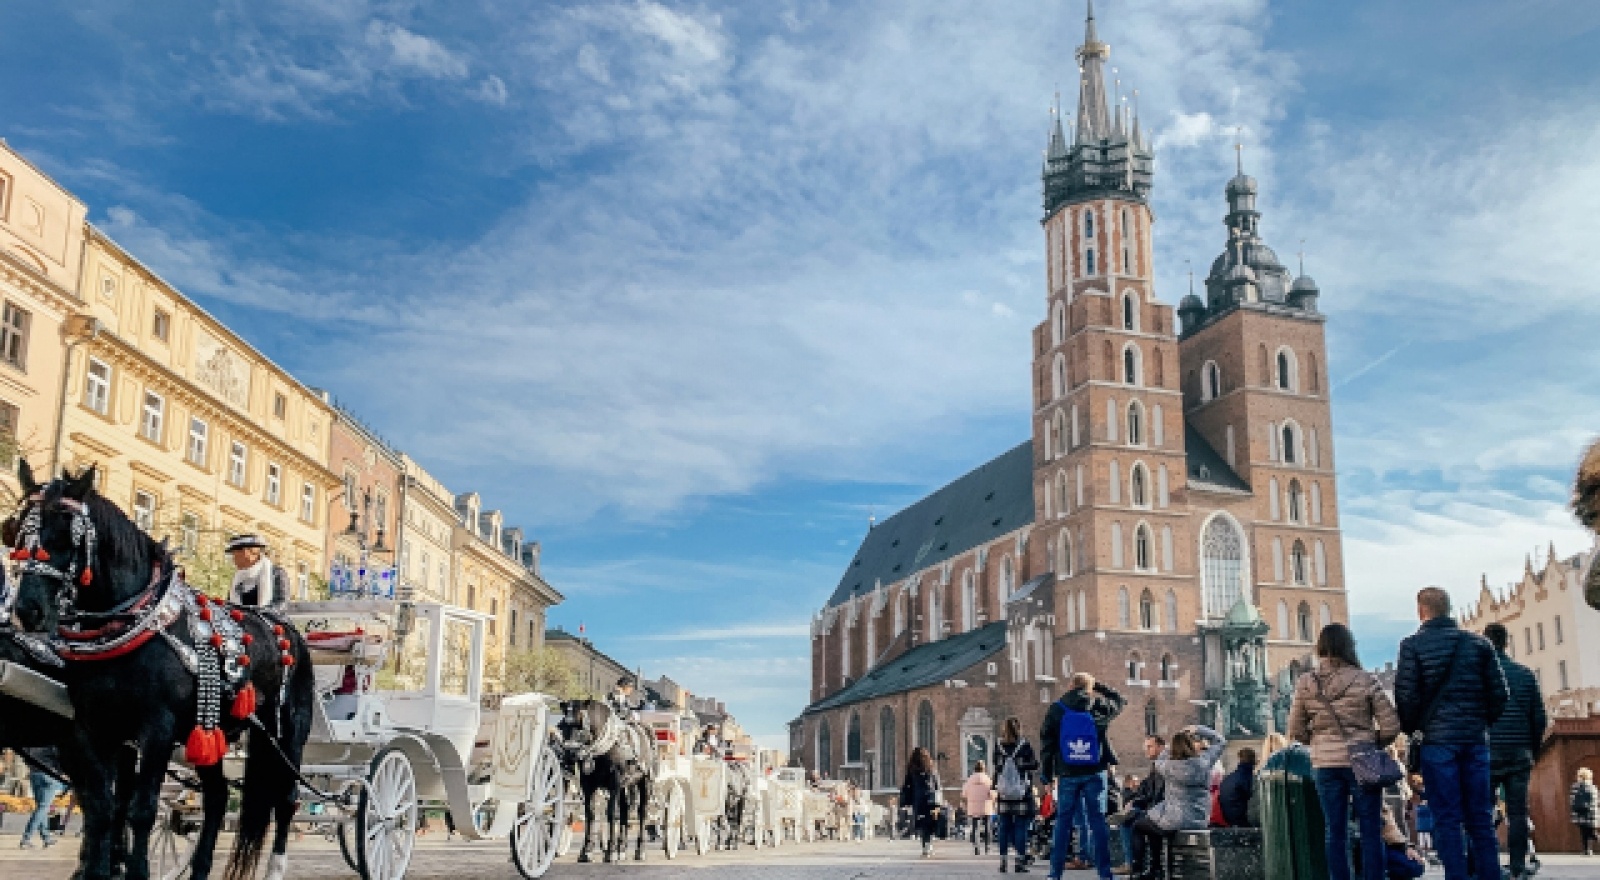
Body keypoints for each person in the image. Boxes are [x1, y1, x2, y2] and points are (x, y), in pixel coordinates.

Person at [1394, 587, 1508, 880]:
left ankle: (1456, 875)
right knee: (1480, 817)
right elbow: (1500, 695)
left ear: (1421, 611)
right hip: (1474, 740)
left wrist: (1416, 729)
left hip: (1437, 743)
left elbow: (1405, 698)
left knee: (1447, 818)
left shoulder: (1411, 646)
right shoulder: (1479, 644)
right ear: (1449, 609)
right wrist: (1480, 722)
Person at [1289, 622, 1402, 880]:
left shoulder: (1307, 682)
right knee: (1371, 828)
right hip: (1362, 761)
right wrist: (1371, 743)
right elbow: (1391, 725)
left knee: (1334, 830)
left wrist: (1317, 742)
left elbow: (1295, 728)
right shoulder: (1365, 679)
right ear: (1349, 647)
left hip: (1325, 764)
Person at [1040, 672, 1125, 880]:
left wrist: (1047, 775)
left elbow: (1047, 744)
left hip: (1067, 772)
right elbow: (1120, 700)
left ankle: (1055, 874)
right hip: (1095, 772)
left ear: (1070, 685)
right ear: (1090, 687)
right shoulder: (1098, 706)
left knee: (1063, 822)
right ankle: (1105, 874)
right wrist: (1099, 687)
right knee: (1098, 822)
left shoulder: (1057, 709)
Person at [1481, 622, 1546, 880]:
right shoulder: (1525, 674)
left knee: (1483, 810)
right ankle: (1518, 865)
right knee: (1518, 812)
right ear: (1507, 642)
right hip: (1520, 753)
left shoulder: (1479, 677)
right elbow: (1539, 717)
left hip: (1486, 752)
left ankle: (1488, 865)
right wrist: (1534, 749)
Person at [1133, 725, 1224, 880]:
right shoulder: (1204, 762)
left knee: (1139, 826)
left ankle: (1144, 869)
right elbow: (1220, 741)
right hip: (1199, 819)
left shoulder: (1167, 766)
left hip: (1174, 820)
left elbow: (1160, 756)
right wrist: (1198, 729)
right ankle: (1155, 868)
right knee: (1152, 824)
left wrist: (1174, 741)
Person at [993, 716, 1039, 873]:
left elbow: (996, 766)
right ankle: (1019, 862)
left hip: (1004, 792)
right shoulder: (1024, 744)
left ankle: (1003, 861)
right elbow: (1034, 764)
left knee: (1004, 827)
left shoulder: (998, 745)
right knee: (1020, 827)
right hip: (1021, 792)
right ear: (1019, 728)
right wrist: (1022, 765)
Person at [1116, 737, 1167, 877]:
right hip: (1158, 809)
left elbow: (1157, 794)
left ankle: (1135, 867)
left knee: (1135, 823)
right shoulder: (1157, 764)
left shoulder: (1164, 764)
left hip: (1163, 811)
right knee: (1129, 819)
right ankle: (1139, 866)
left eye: (1150, 746)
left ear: (1161, 746)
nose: (1146, 750)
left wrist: (1137, 802)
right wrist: (1133, 800)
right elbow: (1147, 789)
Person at [226, 534, 291, 611]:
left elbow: (282, 604)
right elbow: (229, 605)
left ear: (247, 552)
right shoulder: (237, 579)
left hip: (270, 622)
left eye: (235, 555)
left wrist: (260, 612)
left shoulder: (277, 573)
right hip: (242, 622)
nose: (233, 559)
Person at [900, 746, 943, 857]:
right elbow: (937, 784)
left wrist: (905, 801)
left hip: (918, 800)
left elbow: (907, 785)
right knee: (930, 823)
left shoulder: (912, 769)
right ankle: (928, 844)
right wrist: (939, 800)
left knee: (923, 824)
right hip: (931, 799)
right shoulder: (931, 767)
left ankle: (925, 846)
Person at [18, 753, 64, 849]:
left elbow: (25, 758)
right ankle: (26, 838)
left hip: (34, 774)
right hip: (48, 774)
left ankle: (46, 838)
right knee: (43, 807)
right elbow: (58, 758)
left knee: (41, 808)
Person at [1379, 805, 1427, 879]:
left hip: (1389, 845)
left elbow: (1393, 831)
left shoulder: (1383, 806)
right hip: (1371, 848)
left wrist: (1406, 847)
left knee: (1415, 866)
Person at [1218, 748, 1257, 828]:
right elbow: (1254, 799)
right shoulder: (1247, 777)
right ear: (1254, 760)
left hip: (1228, 819)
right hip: (1241, 821)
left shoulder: (1229, 777)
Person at [963, 759, 995, 854]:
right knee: (987, 827)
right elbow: (993, 794)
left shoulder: (970, 779)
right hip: (986, 806)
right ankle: (987, 847)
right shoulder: (988, 779)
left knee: (975, 827)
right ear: (984, 769)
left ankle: (976, 847)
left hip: (973, 806)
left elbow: (964, 793)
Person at [1572, 767, 1599, 856]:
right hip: (1590, 813)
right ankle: (1587, 850)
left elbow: (1572, 800)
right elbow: (1595, 801)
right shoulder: (1592, 787)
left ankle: (1587, 850)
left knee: (1586, 833)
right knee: (1590, 833)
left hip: (1581, 813)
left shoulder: (1576, 787)